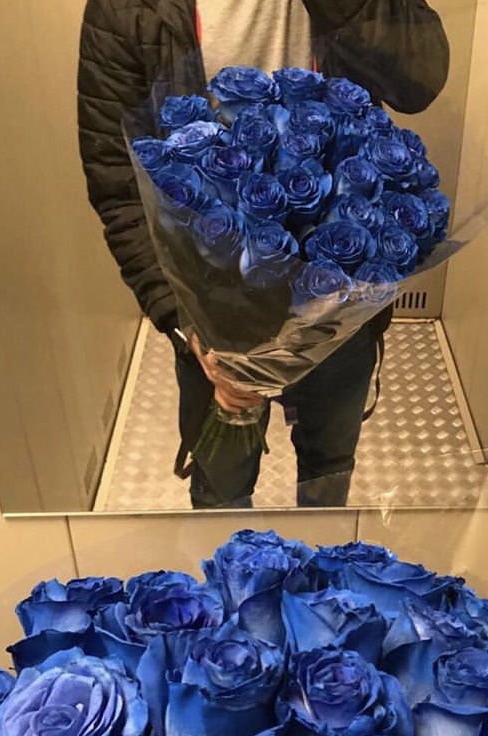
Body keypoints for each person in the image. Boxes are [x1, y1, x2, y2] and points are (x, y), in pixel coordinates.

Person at [77, 0, 449, 509]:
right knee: (221, 490)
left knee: (328, 472)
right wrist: (185, 326)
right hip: (207, 306)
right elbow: (118, 181)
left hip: (341, 292)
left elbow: (417, 81)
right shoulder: (130, 9)